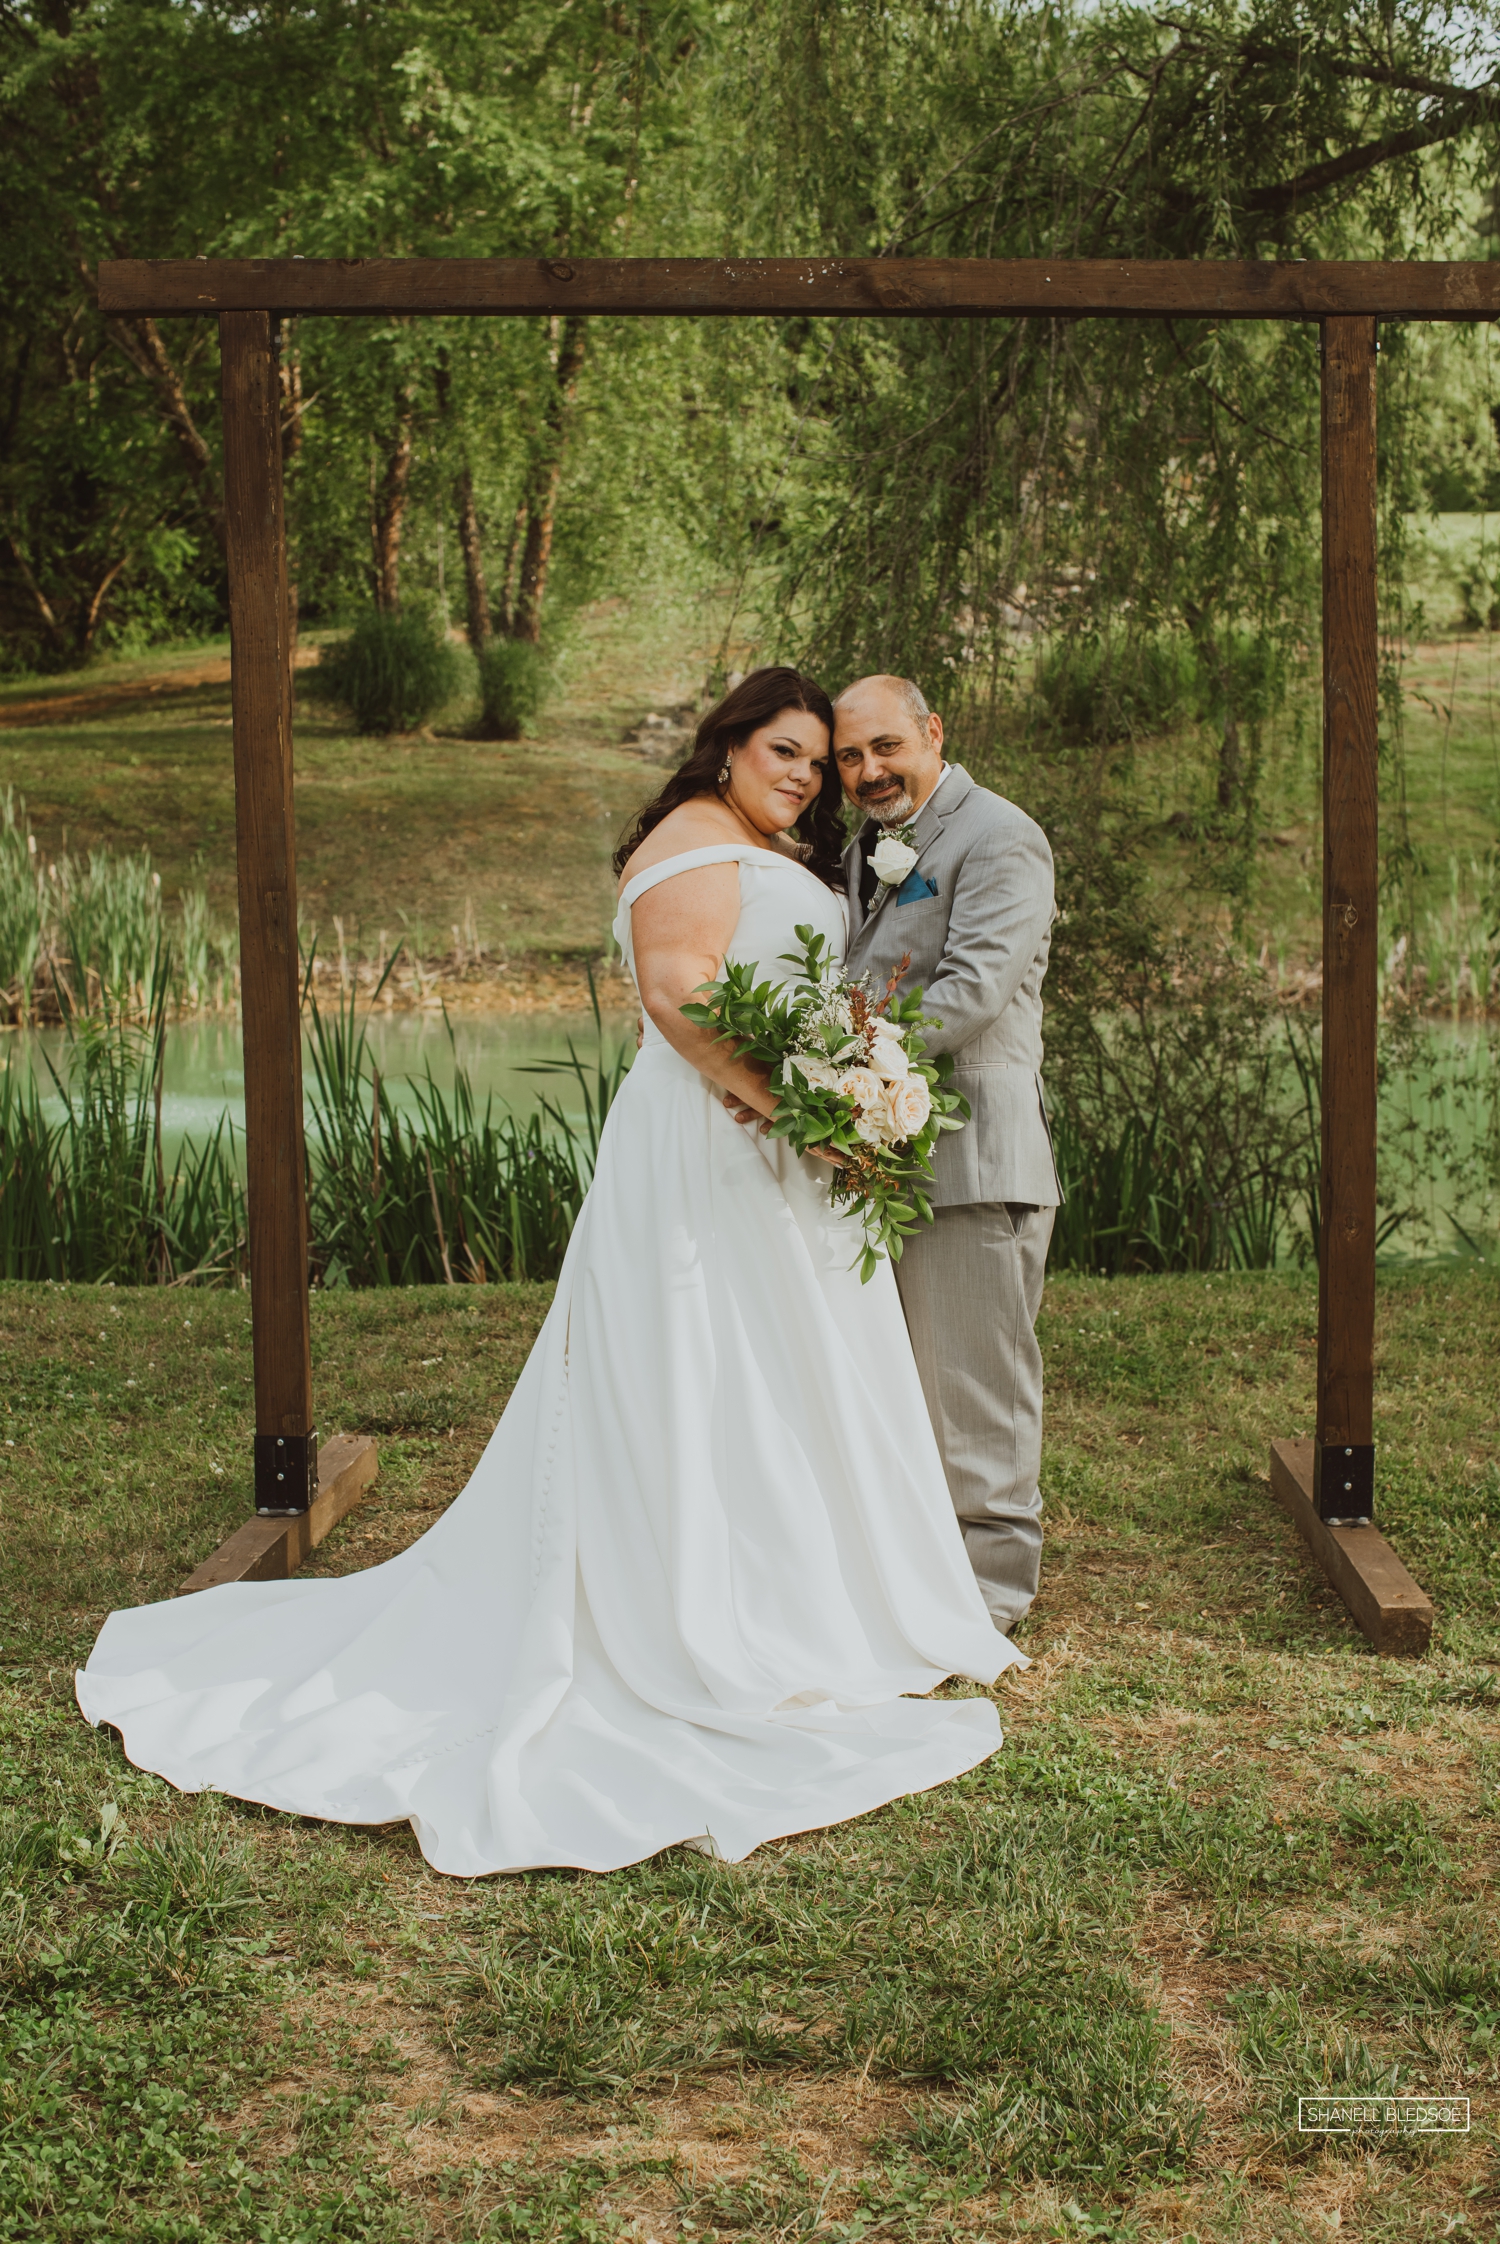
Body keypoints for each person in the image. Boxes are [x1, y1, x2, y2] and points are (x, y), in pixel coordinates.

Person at [76, 667, 1021, 1879]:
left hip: (776, 1146)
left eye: (818, 761)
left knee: (780, 1374)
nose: (804, 777)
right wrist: (794, 1106)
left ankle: (806, 1599)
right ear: (724, 748)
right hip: (712, 1150)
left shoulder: (753, 840)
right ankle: (696, 1620)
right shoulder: (689, 839)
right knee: (701, 1369)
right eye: (781, 751)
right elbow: (679, 997)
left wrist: (827, 1094)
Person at [835, 675, 1059, 1633]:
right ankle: (915, 1578)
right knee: (904, 1387)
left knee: (976, 1388)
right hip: (888, 1156)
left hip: (973, 1158)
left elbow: (970, 992)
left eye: (886, 746)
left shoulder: (1000, 835)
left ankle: (990, 1599)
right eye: (850, 756)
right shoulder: (868, 848)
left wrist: (827, 1051)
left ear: (933, 732)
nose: (868, 770)